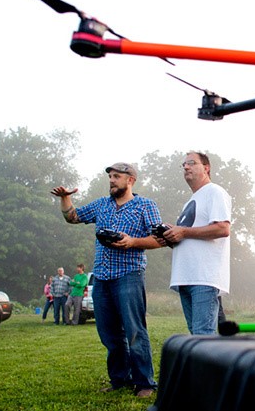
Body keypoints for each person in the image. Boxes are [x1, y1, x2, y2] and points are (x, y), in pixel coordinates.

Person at [51, 162, 162, 398]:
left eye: (117, 176)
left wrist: (132, 241)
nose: (112, 180)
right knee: (109, 334)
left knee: (135, 331)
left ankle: (144, 383)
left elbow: (159, 239)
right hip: (101, 277)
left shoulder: (145, 205)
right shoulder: (102, 204)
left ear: (130, 180)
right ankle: (120, 379)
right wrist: (65, 198)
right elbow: (72, 217)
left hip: (129, 275)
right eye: (110, 176)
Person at [156, 151, 231, 335]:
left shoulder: (215, 191)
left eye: (191, 163)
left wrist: (183, 231)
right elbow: (187, 235)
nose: (186, 167)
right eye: (184, 165)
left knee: (203, 337)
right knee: (197, 337)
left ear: (206, 168)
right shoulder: (190, 200)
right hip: (185, 276)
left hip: (204, 277)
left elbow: (222, 228)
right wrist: (170, 235)